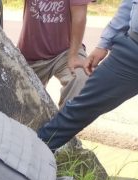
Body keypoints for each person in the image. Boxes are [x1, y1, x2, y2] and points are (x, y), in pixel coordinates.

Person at [38, 0, 138, 151]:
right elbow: (130, 4)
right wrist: (104, 43)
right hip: (132, 52)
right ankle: (31, 153)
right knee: (80, 108)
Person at [18, 0, 92, 107]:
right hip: (31, 54)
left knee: (81, 78)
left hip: (67, 51)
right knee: (23, 105)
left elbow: (79, 17)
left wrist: (74, 56)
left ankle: (64, 122)